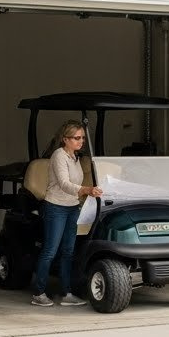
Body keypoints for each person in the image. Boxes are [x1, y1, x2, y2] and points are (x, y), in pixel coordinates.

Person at [31, 120, 102, 307]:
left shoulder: (75, 158)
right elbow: (63, 183)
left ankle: (66, 293)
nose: (81, 141)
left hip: (72, 207)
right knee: (50, 251)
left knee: (68, 252)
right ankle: (39, 292)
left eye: (83, 138)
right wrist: (86, 190)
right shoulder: (58, 156)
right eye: (77, 138)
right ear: (65, 139)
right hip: (55, 207)